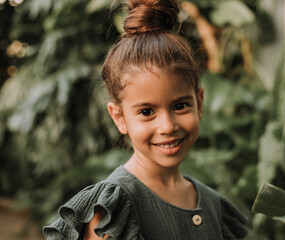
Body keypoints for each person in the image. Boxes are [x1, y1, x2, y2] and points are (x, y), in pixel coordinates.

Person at [43, 0, 248, 239]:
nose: (168, 126)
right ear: (119, 118)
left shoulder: (213, 204)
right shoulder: (113, 210)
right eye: (147, 112)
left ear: (199, 104)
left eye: (180, 106)